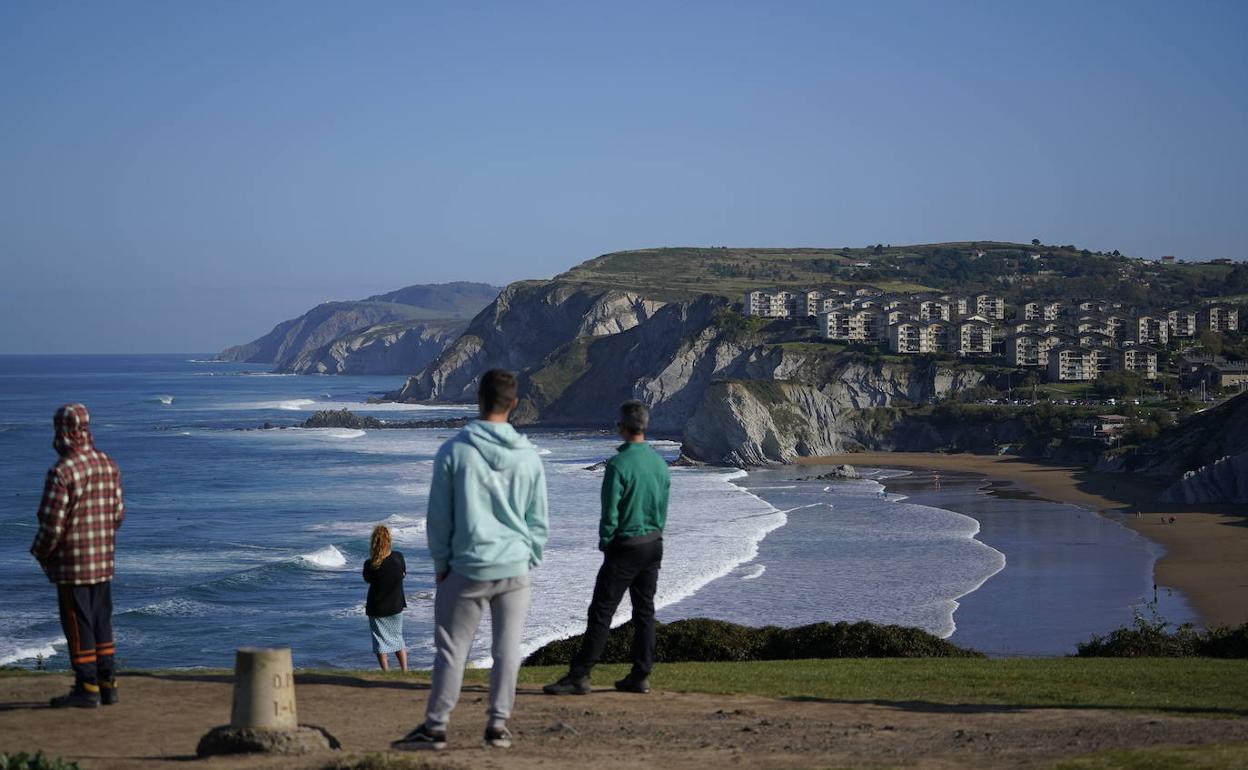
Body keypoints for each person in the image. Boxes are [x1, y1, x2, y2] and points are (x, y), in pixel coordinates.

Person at [392, 369, 548, 752]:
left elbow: (439, 516)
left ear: (478, 400)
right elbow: (538, 519)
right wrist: (530, 557)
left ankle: (436, 726)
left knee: (452, 649)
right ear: (513, 404)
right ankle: (497, 726)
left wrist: (441, 562)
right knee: (507, 649)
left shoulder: (455, 450)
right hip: (514, 565)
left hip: (466, 564)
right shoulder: (529, 456)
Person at [544, 400, 669, 697]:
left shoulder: (618, 465)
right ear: (645, 426)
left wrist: (606, 544)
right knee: (644, 612)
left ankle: (580, 674)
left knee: (601, 612)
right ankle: (641, 674)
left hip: (626, 545)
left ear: (623, 428)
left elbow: (609, 513)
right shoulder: (659, 463)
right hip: (653, 542)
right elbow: (662, 509)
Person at [30, 404, 124, 708]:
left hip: (73, 564)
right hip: (103, 560)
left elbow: (51, 523)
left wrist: (40, 552)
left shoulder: (63, 471)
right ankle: (108, 683)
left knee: (77, 622)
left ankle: (87, 688)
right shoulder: (108, 464)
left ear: (63, 432)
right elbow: (118, 514)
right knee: (101, 620)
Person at [363, 525, 408, 672]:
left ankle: (386, 671)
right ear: (389, 540)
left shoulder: (370, 564)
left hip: (377, 607)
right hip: (396, 606)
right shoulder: (398, 557)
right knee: (398, 639)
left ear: (374, 542)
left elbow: (367, 579)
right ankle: (405, 670)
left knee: (380, 641)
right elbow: (403, 574)